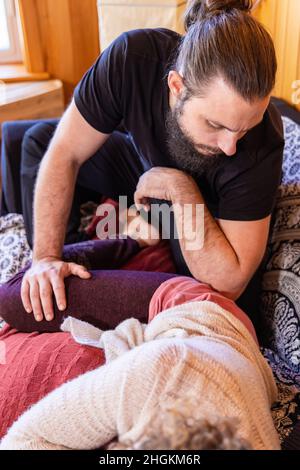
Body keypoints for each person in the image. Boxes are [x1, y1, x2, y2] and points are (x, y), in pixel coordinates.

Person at [1, 0, 284, 327]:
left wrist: (180, 190)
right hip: (147, 172)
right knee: (35, 140)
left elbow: (229, 282)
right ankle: (72, 259)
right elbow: (65, 151)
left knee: (211, 298)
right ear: (177, 87)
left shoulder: (261, 141)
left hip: (204, 213)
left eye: (245, 128)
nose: (230, 146)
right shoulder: (132, 58)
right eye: (216, 125)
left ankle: (121, 250)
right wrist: (46, 258)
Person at [0, 269, 280, 450]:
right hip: (194, 308)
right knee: (15, 296)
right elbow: (21, 440)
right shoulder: (143, 378)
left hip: (227, 360)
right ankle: (133, 240)